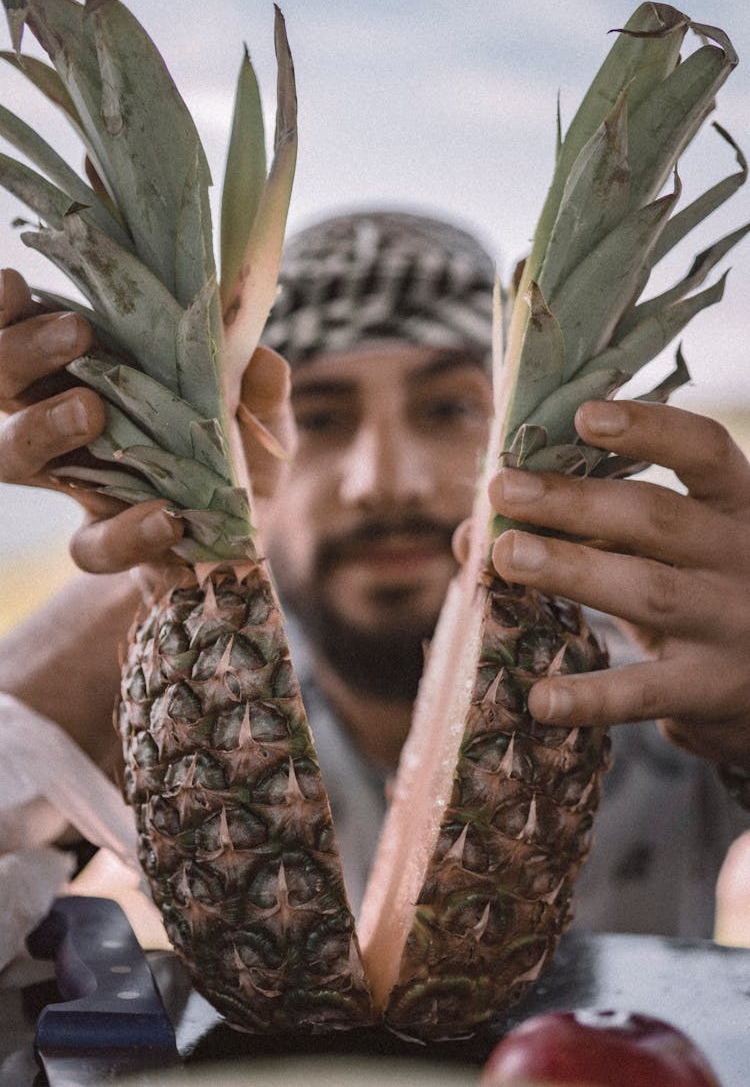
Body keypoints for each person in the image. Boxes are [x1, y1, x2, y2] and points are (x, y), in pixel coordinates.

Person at [0, 210, 749, 935]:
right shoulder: (196, 707)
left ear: (516, 439)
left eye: (449, 407)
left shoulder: (658, 690)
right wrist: (168, 557)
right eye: (320, 418)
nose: (385, 482)